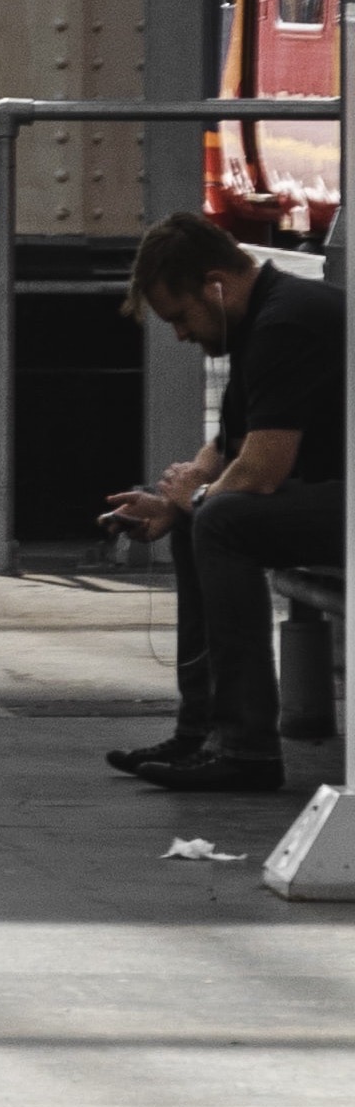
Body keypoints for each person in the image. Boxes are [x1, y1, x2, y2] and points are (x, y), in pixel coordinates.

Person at [100, 214, 347, 794]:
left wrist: (199, 497)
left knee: (222, 519)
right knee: (203, 517)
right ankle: (203, 733)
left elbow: (260, 472)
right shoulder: (263, 316)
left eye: (181, 317)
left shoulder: (286, 324)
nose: (181, 335)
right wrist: (171, 502)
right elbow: (231, 442)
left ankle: (245, 749)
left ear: (214, 284)